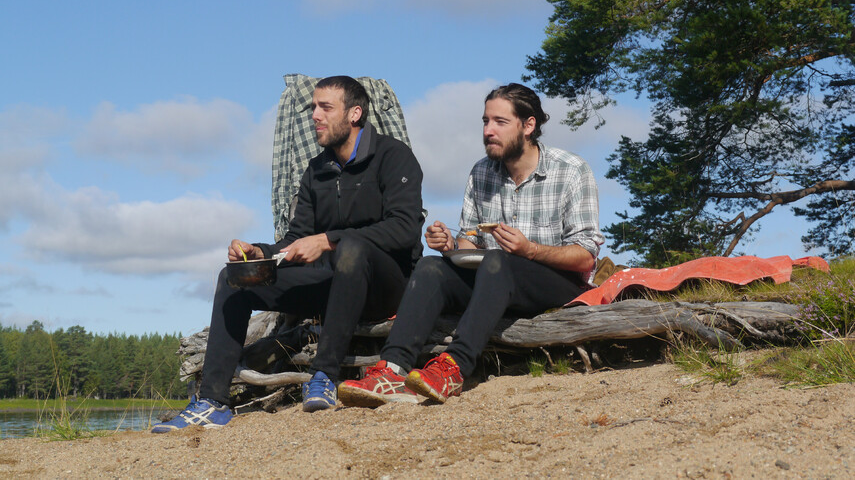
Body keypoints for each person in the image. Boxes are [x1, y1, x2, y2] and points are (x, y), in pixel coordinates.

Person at [152, 76, 424, 431]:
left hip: (388, 288)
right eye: (313, 107)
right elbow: (296, 239)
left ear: (355, 113)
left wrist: (328, 240)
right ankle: (212, 402)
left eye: (325, 107)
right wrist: (259, 252)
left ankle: (324, 376)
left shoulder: (394, 156)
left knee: (352, 250)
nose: (315, 115)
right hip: (333, 286)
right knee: (234, 279)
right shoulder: (317, 170)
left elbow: (404, 229)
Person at [338, 83, 603, 407]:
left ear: (528, 125)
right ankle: (392, 370)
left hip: (558, 284)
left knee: (497, 261)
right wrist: (450, 246)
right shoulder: (481, 172)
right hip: (494, 282)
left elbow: (586, 257)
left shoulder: (571, 170)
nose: (488, 131)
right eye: (485, 121)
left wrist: (529, 250)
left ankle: (454, 367)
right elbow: (470, 243)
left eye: (500, 122)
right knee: (431, 267)